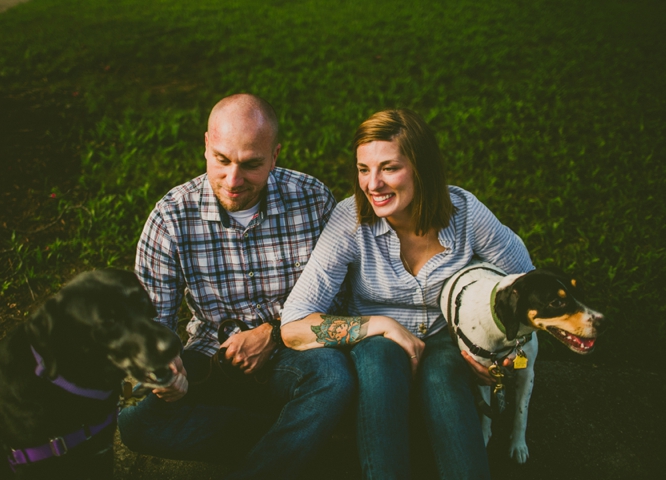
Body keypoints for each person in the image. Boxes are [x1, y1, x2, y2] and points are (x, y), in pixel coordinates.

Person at [281, 109, 534, 479]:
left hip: (447, 338)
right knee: (381, 361)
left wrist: (499, 355)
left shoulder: (465, 213)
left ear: (422, 167)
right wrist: (383, 325)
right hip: (376, 343)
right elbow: (293, 325)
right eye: (363, 169)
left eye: (389, 168)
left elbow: (526, 285)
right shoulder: (349, 220)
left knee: (443, 376)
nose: (373, 184)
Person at [118, 93, 355, 479]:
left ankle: (285, 447)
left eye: (251, 165)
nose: (233, 180)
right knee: (137, 424)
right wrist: (162, 366)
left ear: (275, 156)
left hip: (292, 356)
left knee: (332, 376)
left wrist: (273, 335)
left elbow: (341, 299)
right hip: (212, 362)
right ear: (207, 146)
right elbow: (150, 323)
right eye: (222, 160)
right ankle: (301, 442)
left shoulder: (312, 199)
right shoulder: (170, 217)